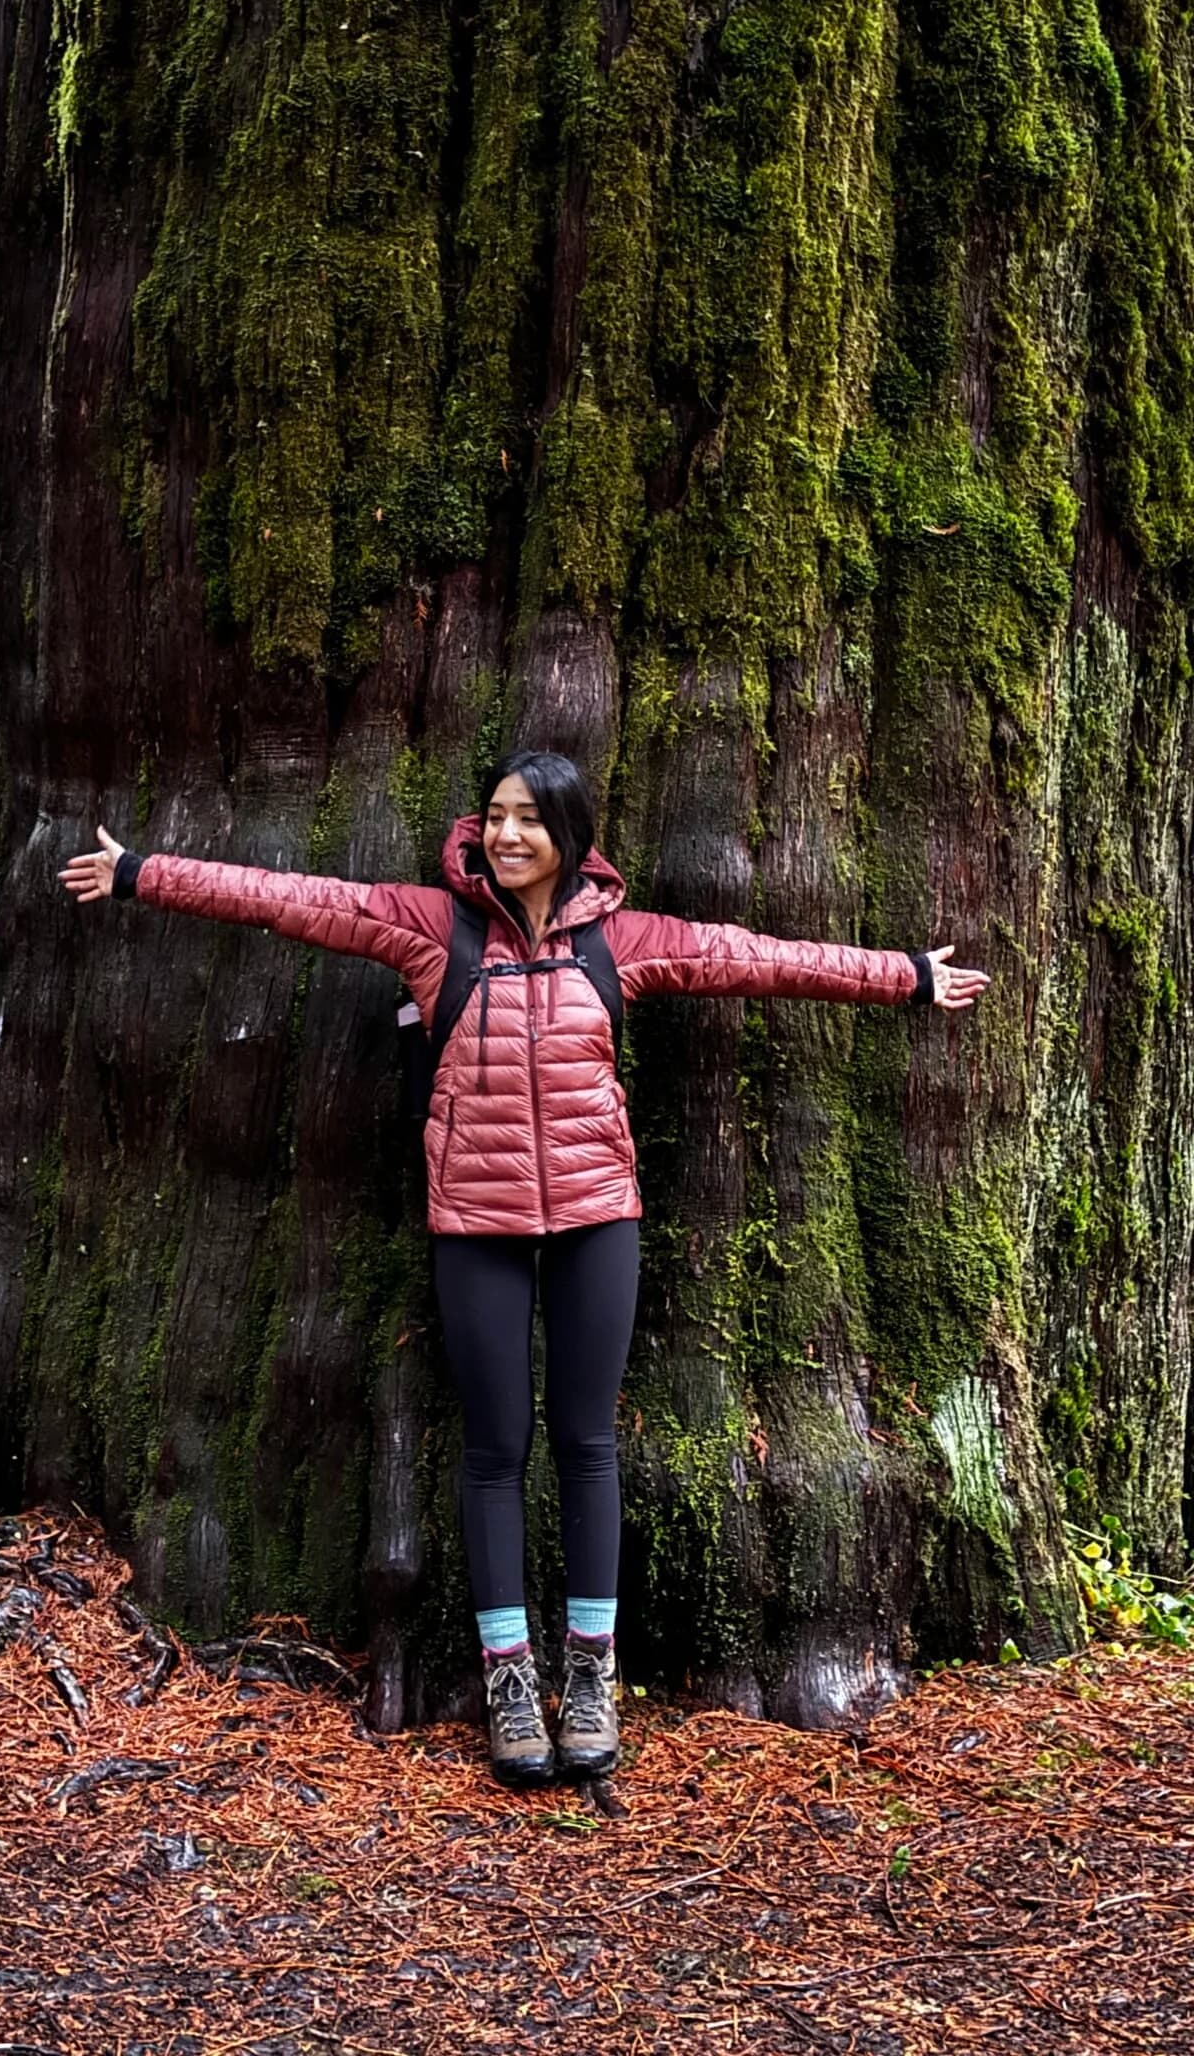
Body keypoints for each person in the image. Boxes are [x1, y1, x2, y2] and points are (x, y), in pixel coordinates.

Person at [59, 749, 988, 1789]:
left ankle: (589, 1674)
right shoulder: (431, 929)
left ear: (569, 837)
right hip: (476, 1222)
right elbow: (294, 899)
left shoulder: (621, 943)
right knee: (495, 1448)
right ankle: (511, 1680)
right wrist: (145, 872)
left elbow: (754, 954)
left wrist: (905, 974)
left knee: (588, 1441)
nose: (503, 836)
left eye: (526, 822)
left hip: (598, 1217)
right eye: (493, 817)